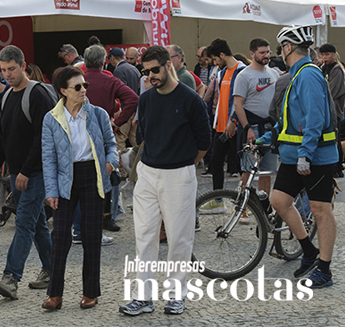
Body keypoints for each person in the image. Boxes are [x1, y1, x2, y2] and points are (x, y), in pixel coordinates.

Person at [119, 46, 210, 316]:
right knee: (144, 237)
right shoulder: (146, 98)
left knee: (179, 238)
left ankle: (176, 296)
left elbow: (204, 142)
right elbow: (144, 134)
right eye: (146, 72)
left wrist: (185, 166)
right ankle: (143, 298)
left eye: (155, 70)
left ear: (168, 65)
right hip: (148, 172)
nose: (150, 76)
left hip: (178, 174)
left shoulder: (191, 99)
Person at [258, 25, 340, 289]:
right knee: (279, 201)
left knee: (320, 210)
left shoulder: (308, 75)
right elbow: (289, 121)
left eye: (281, 47)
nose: (280, 52)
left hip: (315, 156)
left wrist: (305, 154)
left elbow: (315, 118)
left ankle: (324, 270)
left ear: (288, 48)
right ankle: (308, 251)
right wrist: (266, 139)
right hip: (294, 155)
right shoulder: (296, 74)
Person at [41, 66, 119, 311]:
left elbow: (111, 143)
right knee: (61, 237)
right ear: (63, 91)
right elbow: (48, 157)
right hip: (66, 179)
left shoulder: (97, 114)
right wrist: (51, 190)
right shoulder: (51, 118)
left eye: (85, 85)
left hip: (93, 175)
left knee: (91, 237)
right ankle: (55, 294)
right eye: (77, 87)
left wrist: (111, 162)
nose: (84, 90)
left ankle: (90, 292)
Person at [0, 45, 55, 299]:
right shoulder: (6, 96)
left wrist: (26, 170)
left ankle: (11, 278)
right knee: (36, 225)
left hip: (34, 173)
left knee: (24, 223)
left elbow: (43, 138)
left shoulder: (38, 95)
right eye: (4, 70)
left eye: (12, 69)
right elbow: (4, 137)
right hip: (18, 173)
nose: (8, 74)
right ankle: (51, 270)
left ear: (23, 65)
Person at [80, 45, 137, 232]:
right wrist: (117, 122)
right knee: (106, 175)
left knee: (80, 174)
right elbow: (133, 99)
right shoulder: (110, 80)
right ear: (104, 61)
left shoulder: (77, 80)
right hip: (104, 133)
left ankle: (82, 218)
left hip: (78, 132)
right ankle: (106, 216)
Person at [232, 39, 280, 200]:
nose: (266, 56)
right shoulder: (244, 75)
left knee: (267, 171)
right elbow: (238, 104)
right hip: (253, 125)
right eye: (262, 53)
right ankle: (242, 205)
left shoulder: (274, 73)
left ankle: (263, 206)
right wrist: (247, 128)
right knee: (249, 169)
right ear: (252, 54)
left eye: (268, 52)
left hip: (270, 126)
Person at [201, 38, 245, 203]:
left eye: (215, 59)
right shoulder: (221, 73)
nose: (214, 62)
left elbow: (241, 99)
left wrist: (234, 120)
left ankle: (245, 202)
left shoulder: (241, 71)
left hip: (234, 126)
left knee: (241, 166)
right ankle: (217, 199)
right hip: (221, 126)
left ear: (221, 54)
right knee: (216, 161)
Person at [318, 44, 345, 166]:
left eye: (327, 55)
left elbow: (332, 91)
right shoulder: (323, 67)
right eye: (323, 55)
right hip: (326, 109)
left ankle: (338, 165)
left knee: (335, 138)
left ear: (334, 55)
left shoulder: (337, 69)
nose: (325, 57)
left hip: (335, 109)